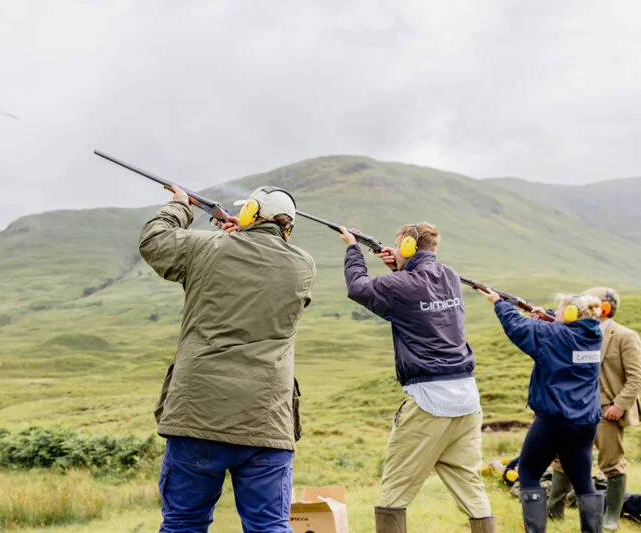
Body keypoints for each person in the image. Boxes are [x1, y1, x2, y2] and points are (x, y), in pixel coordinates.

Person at [139, 185, 316, 533]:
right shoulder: (304, 266)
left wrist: (179, 206)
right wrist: (243, 237)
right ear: (288, 227)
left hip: (198, 415)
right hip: (266, 420)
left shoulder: (207, 248)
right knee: (270, 526)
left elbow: (154, 241)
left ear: (250, 213)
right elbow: (258, 267)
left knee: (182, 524)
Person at [339, 222, 495, 533]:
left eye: (400, 247)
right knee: (469, 484)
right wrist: (399, 266)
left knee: (394, 490)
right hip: (466, 397)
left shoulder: (402, 285)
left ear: (409, 247)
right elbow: (417, 296)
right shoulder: (449, 275)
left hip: (428, 401)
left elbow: (358, 288)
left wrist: (352, 249)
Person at [478, 289, 606, 533]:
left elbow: (518, 327)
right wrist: (547, 315)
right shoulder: (594, 335)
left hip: (554, 420)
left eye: (559, 309)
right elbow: (567, 330)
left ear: (570, 314)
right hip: (585, 422)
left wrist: (498, 303)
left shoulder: (553, 335)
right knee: (583, 481)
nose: (555, 312)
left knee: (528, 473)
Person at [547, 287, 641, 531]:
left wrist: (619, 406)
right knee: (562, 459)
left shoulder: (625, 336)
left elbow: (638, 376)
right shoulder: (576, 332)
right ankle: (554, 511)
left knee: (611, 463)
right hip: (576, 408)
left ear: (603, 309)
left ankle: (611, 517)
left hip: (607, 411)